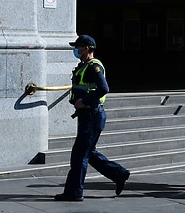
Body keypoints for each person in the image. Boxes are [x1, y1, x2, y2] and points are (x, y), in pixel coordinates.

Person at [54, 35, 130, 201]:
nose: (76, 50)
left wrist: (84, 101)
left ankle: (74, 192)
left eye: (78, 47)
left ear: (87, 48)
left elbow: (104, 88)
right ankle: (119, 174)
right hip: (87, 115)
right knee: (89, 152)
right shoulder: (84, 66)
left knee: (79, 155)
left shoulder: (93, 67)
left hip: (92, 115)